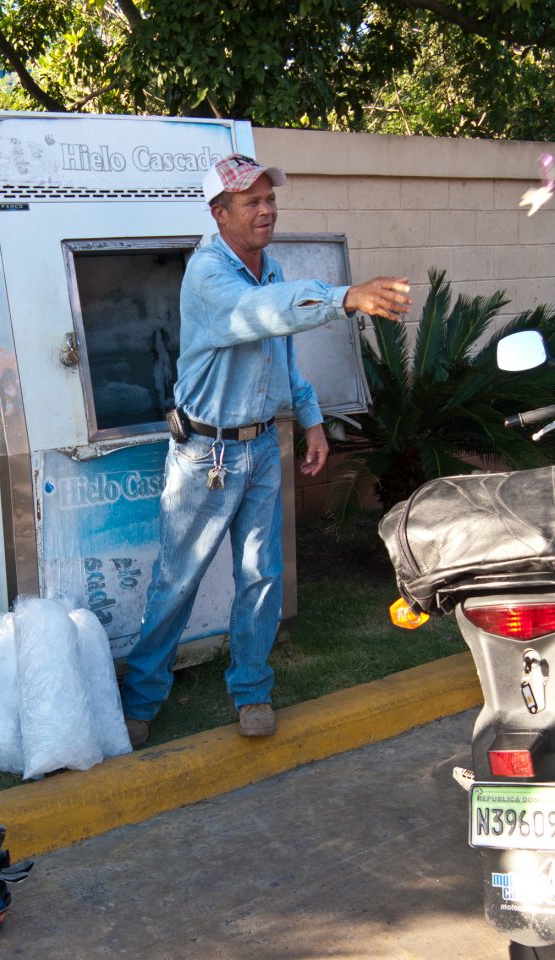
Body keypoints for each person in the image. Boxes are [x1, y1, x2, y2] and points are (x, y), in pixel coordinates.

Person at [120, 152, 411, 746]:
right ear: (219, 213)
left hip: (258, 451)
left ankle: (251, 689)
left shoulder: (270, 269)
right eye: (251, 201)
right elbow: (258, 317)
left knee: (261, 576)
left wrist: (308, 419)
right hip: (206, 456)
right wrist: (343, 297)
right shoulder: (209, 275)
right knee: (178, 581)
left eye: (269, 199)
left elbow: (279, 356)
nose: (266, 210)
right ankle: (141, 699)